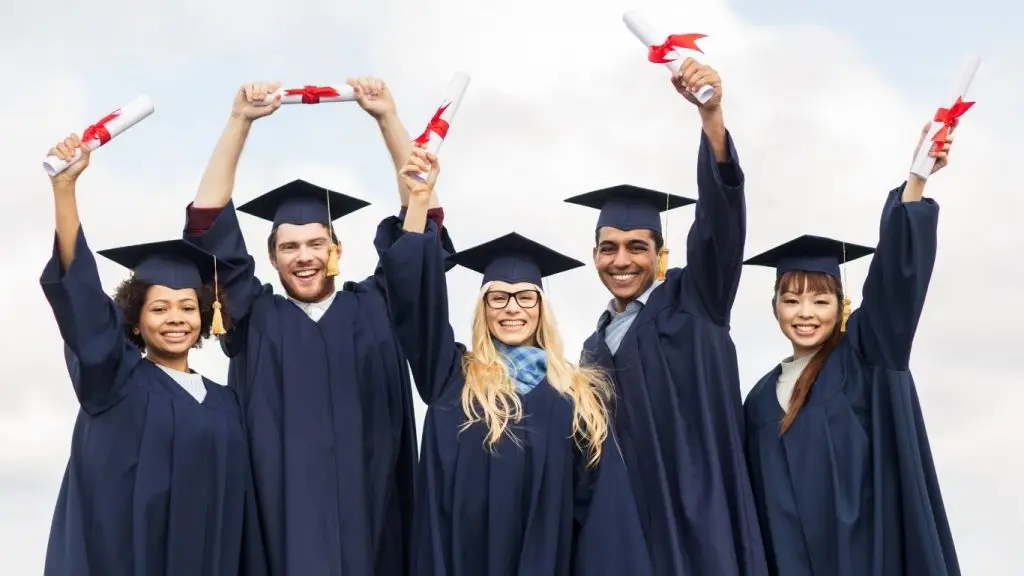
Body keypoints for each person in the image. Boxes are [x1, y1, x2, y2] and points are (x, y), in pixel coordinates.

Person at [181, 79, 455, 575]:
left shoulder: (379, 306)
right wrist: (239, 122)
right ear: (271, 258)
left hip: (378, 541)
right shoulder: (254, 319)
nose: (304, 257)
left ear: (336, 250)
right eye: (289, 247)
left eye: (315, 244)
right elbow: (207, 221)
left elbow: (419, 227)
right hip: (279, 545)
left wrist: (387, 119)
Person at [379, 146, 653, 575]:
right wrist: (419, 202)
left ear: (541, 308)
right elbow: (414, 301)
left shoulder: (575, 398)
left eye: (526, 297)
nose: (512, 308)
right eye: (498, 298)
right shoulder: (451, 378)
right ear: (483, 308)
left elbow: (602, 515)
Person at [564, 59, 767, 575]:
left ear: (660, 254)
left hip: (702, 526)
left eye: (637, 246)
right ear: (594, 257)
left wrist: (712, 119)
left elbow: (720, 225)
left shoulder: (694, 300)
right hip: (630, 539)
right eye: (608, 248)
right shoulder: (591, 349)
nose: (622, 260)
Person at [741, 126, 960, 575]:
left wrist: (916, 181)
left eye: (820, 300)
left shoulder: (864, 358)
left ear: (842, 306)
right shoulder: (759, 400)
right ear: (774, 306)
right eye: (791, 299)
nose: (805, 313)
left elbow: (895, 284)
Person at [40, 135, 262, 575]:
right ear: (136, 321)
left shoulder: (227, 403)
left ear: (204, 316)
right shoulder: (116, 381)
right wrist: (64, 191)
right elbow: (83, 305)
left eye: (186, 308)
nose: (175, 319)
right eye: (159, 309)